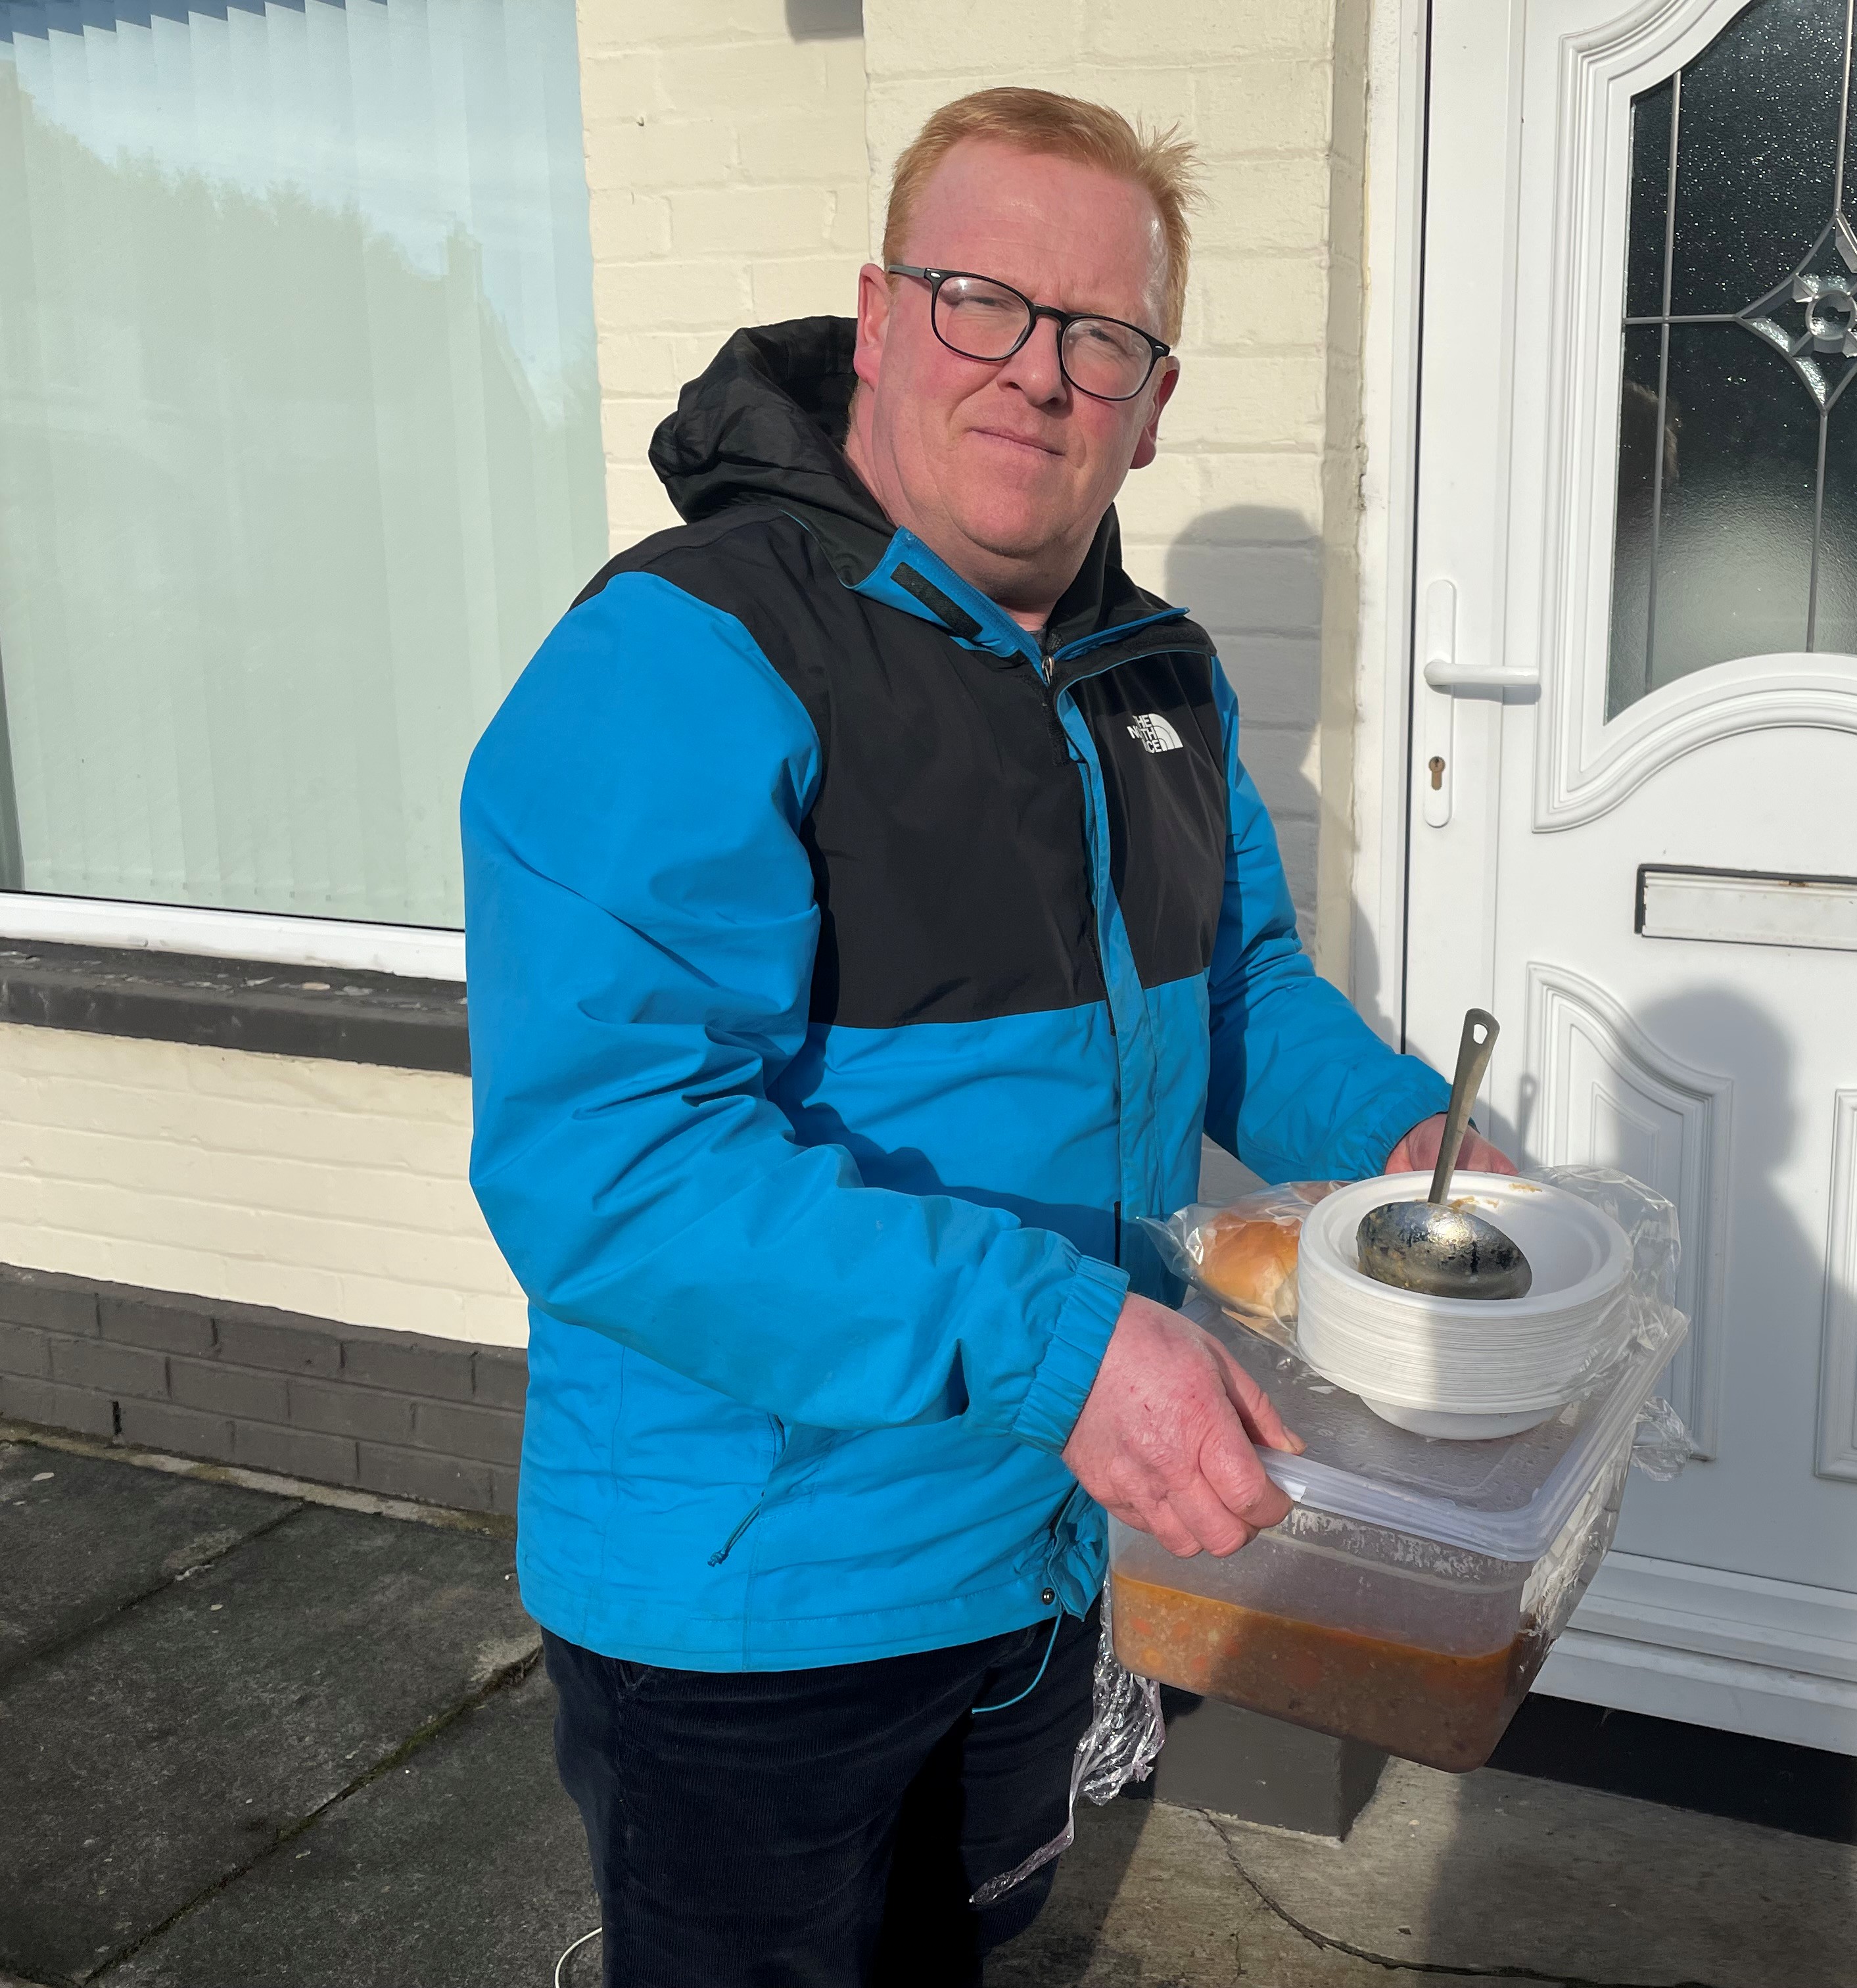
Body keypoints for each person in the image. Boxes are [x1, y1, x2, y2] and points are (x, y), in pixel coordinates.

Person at [460, 87, 1509, 1987]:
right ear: (875, 317)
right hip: (758, 1598)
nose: (1038, 373)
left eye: (1101, 334)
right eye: (981, 301)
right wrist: (1069, 1344)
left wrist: (1427, 1148)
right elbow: (611, 1165)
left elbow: (1243, 991)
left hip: (1044, 1540)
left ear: (1156, 395)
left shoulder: (1153, 670)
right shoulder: (683, 658)